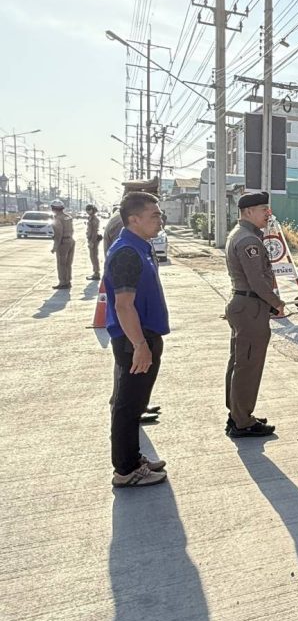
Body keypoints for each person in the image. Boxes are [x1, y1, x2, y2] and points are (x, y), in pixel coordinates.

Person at [105, 192, 170, 487]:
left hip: (145, 336)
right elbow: (123, 305)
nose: (160, 219)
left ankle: (132, 457)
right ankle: (126, 469)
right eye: (154, 215)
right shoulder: (127, 252)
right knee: (128, 406)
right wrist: (140, 346)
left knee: (135, 403)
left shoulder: (140, 247)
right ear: (134, 219)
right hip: (135, 339)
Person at [224, 191, 285, 437]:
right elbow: (258, 281)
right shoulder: (248, 240)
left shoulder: (240, 234)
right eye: (263, 210)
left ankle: (238, 414)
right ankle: (242, 421)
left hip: (244, 305)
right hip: (250, 307)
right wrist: (277, 303)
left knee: (239, 362)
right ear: (249, 212)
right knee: (248, 366)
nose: (267, 214)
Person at [49, 199, 75, 289]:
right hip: (70, 241)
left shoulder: (57, 218)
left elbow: (58, 233)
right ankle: (68, 281)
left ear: (54, 208)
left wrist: (55, 247)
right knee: (68, 263)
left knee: (61, 264)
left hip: (63, 243)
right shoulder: (68, 217)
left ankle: (63, 282)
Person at [85, 204, 102, 280]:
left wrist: (92, 242)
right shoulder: (90, 218)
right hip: (91, 239)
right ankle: (95, 272)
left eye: (89, 209)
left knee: (94, 256)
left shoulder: (94, 219)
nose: (88, 211)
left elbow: (94, 232)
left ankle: (96, 273)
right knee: (92, 256)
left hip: (93, 240)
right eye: (87, 209)